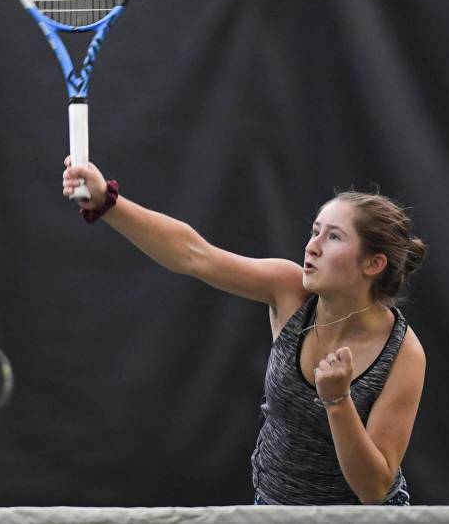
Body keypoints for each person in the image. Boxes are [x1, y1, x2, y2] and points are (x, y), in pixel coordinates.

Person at [62, 159, 427, 506]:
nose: (311, 246)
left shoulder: (403, 354)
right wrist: (108, 203)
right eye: (315, 231)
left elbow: (374, 489)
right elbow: (194, 255)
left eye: (333, 237)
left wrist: (338, 402)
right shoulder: (289, 290)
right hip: (270, 506)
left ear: (373, 263)